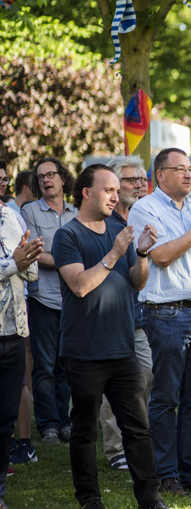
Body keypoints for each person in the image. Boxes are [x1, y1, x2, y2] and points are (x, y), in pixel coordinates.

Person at [53, 164, 166, 509]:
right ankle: (90, 499)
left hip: (123, 347)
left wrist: (142, 253)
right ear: (87, 193)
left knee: (137, 428)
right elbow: (80, 285)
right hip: (85, 351)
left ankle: (150, 498)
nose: (116, 195)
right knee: (85, 430)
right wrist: (115, 252)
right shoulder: (68, 236)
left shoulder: (119, 228)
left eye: (118, 189)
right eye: (109, 190)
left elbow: (137, 281)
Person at [127, 148, 191, 496]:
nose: (188, 175)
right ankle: (166, 474)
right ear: (160, 175)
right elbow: (162, 256)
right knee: (166, 397)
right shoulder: (145, 209)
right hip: (166, 312)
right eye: (180, 169)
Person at [98, 156, 154, 473]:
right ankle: (115, 447)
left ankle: (134, 441)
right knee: (112, 382)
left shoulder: (142, 216)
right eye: (131, 180)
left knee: (144, 377)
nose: (138, 184)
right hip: (108, 317)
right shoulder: (105, 223)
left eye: (140, 179)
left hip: (138, 315)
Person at [21, 156, 77, 445]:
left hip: (72, 299)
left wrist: (63, 262)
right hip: (43, 299)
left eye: (51, 174)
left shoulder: (76, 213)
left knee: (65, 366)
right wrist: (68, 263)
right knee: (43, 366)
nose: (46, 180)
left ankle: (64, 421)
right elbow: (32, 252)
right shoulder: (29, 212)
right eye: (41, 176)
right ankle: (48, 426)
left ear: (63, 178)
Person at [0, 175, 41, 509]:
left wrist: (28, 260)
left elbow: (29, 272)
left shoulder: (12, 216)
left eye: (3, 179)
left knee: (4, 419)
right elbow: (13, 263)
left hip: (14, 331)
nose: (2, 184)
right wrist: (16, 261)